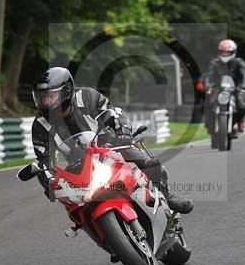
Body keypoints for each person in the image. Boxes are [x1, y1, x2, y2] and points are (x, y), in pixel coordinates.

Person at [30, 67, 193, 214]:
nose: (46, 102)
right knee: (74, 204)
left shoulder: (87, 96)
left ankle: (167, 197)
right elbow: (44, 160)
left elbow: (113, 112)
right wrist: (49, 183)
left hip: (111, 146)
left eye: (50, 96)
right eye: (42, 97)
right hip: (79, 164)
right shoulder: (40, 125)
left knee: (149, 163)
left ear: (66, 91)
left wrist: (122, 131)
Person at [203, 39, 245, 133]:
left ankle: (240, 121)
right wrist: (208, 85)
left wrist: (244, 86)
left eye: (228, 52)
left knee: (241, 104)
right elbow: (209, 75)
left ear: (233, 52)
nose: (225, 55)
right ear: (219, 52)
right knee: (209, 102)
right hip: (218, 88)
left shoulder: (239, 62)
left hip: (235, 88)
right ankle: (209, 123)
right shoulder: (214, 63)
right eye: (223, 52)